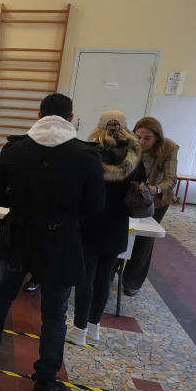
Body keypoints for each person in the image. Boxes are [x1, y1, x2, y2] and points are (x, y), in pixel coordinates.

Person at [0, 93, 104, 391]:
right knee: (55, 314)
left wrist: (19, 205)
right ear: (71, 119)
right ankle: (46, 381)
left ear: (38, 114)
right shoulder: (86, 156)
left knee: (5, 291)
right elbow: (96, 206)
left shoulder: (15, 149)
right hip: (61, 240)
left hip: (19, 234)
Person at [68, 111, 145, 348]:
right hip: (117, 226)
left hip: (90, 224)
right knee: (104, 278)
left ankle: (78, 329)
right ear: (126, 128)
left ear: (99, 127)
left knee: (86, 278)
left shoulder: (89, 154)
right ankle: (94, 327)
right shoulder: (136, 158)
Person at [122, 116, 178, 296]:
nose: (141, 142)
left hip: (156, 200)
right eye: (138, 136)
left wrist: (156, 188)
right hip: (130, 196)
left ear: (157, 139)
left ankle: (132, 282)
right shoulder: (128, 144)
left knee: (144, 239)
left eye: (147, 139)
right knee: (121, 232)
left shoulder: (169, 148)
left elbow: (171, 179)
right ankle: (110, 271)